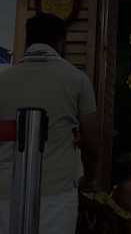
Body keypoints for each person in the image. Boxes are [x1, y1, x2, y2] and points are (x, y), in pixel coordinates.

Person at [0, 12, 100, 234]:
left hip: (5, 191)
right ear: (60, 42)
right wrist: (90, 178)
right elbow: (91, 140)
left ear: (27, 41)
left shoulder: (3, 79)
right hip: (56, 193)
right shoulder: (76, 79)